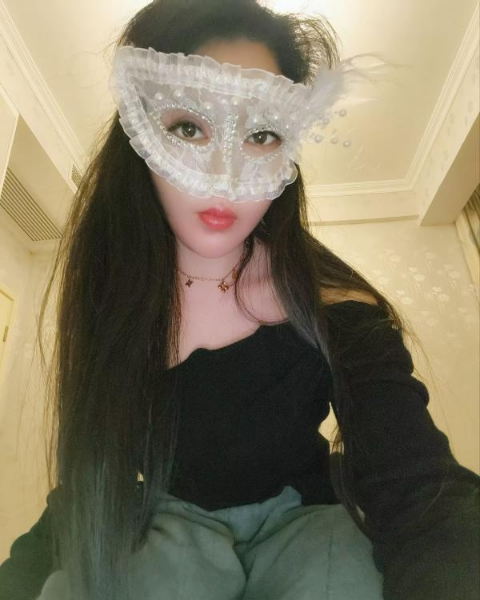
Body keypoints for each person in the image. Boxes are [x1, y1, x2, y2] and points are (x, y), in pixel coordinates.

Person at [1, 1, 479, 599]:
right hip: (167, 525)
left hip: (310, 522)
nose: (224, 175)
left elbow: (420, 489)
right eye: (188, 127)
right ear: (139, 133)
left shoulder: (336, 303)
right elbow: (91, 480)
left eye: (261, 135)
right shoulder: (114, 304)